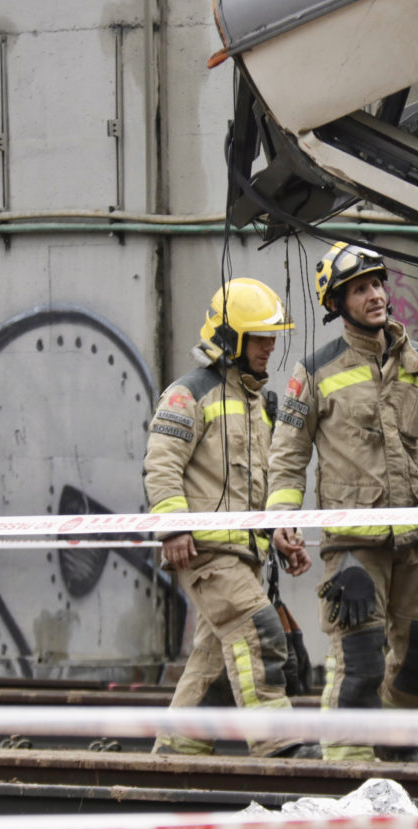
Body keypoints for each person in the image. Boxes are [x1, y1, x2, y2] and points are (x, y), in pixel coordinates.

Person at [267, 242, 418, 762]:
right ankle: (346, 766)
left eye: (378, 284)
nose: (376, 295)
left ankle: (391, 747)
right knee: (359, 660)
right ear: (337, 304)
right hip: (354, 544)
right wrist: (281, 519)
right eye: (360, 289)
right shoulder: (315, 371)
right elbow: (288, 454)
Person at [143, 277, 318, 758]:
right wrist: (174, 528)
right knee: (258, 629)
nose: (269, 347)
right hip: (207, 552)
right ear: (230, 338)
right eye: (259, 337)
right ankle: (278, 745)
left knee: (216, 663)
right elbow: (162, 464)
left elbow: (257, 484)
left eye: (272, 337)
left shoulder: (258, 403)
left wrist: (277, 534)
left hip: (243, 555)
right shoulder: (188, 395)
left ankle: (175, 758)